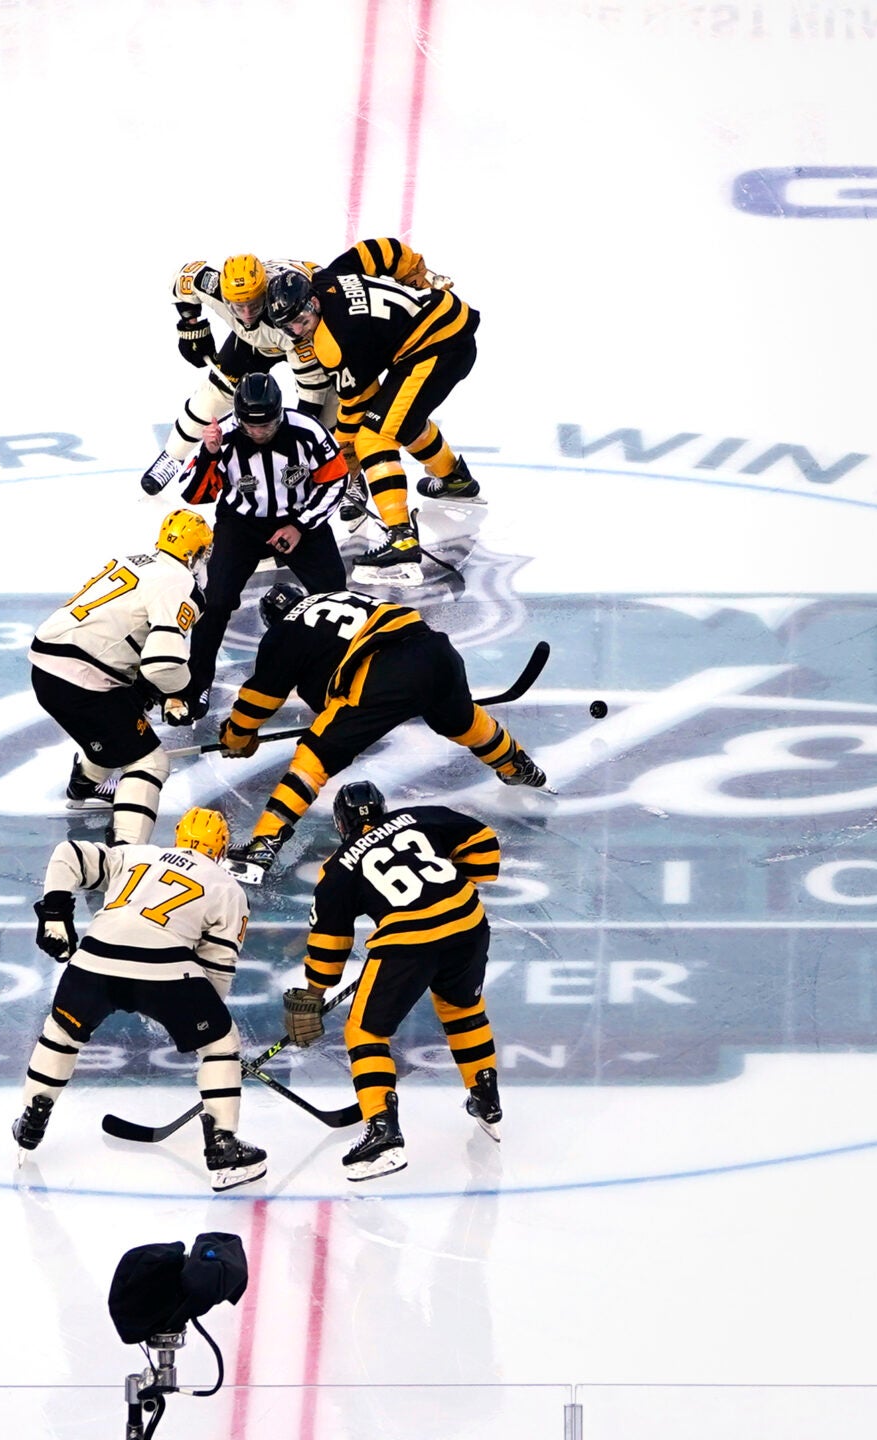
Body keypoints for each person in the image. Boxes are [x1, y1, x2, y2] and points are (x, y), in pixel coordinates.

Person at [12, 806, 267, 1192]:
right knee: (219, 1045)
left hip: (94, 961)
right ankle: (222, 1146)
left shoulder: (135, 854)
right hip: (164, 971)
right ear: (221, 849)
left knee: (60, 1035)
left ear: (178, 834)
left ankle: (33, 1117)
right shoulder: (227, 887)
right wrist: (201, 1021)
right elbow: (218, 965)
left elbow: (68, 855)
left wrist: (55, 913)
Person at [213, 585, 544, 880]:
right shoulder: (337, 596)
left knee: (313, 758)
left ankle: (262, 845)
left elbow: (259, 699)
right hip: (436, 653)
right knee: (465, 723)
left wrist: (236, 737)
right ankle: (518, 766)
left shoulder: (284, 632)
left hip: (380, 673)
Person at [280, 781, 506, 1182]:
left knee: (365, 1031)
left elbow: (330, 944)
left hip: (407, 943)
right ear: (383, 807)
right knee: (462, 1007)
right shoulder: (422, 816)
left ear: (340, 823)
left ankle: (383, 1133)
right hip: (468, 923)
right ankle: (486, 1097)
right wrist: (463, 884)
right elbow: (483, 841)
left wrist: (315, 992)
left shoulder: (338, 868)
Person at [269, 238, 481, 583]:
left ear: (312, 302)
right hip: (442, 325)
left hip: (438, 347)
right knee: (402, 421)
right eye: (288, 326)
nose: (296, 331)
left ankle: (402, 537)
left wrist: (337, 459)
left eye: (300, 320)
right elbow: (378, 251)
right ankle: (455, 478)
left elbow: (355, 409)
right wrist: (417, 273)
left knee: (374, 437)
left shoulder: (331, 343)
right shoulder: (327, 278)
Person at [167, 371, 353, 719]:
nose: (258, 432)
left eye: (266, 425)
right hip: (241, 525)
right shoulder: (222, 437)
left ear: (280, 414)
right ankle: (197, 684)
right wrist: (208, 454)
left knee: (336, 596)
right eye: (250, 426)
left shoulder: (308, 431)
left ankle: (337, 675)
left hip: (301, 520)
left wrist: (301, 524)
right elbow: (193, 493)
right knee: (216, 601)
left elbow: (336, 479)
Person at [27, 510, 209, 844]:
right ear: (193, 554)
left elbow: (134, 643)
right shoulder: (180, 582)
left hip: (50, 665)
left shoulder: (133, 560)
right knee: (149, 761)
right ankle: (125, 854)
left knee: (121, 718)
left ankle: (87, 782)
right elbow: (162, 663)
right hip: (83, 679)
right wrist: (187, 692)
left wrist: (162, 693)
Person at [141, 253, 334, 494]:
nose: (245, 314)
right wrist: (190, 323)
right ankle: (173, 455)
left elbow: (312, 390)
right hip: (256, 341)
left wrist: (297, 436)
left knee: (329, 411)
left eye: (253, 304)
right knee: (212, 396)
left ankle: (346, 469)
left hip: (302, 331)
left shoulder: (292, 321)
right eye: (237, 306)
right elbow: (183, 278)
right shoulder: (214, 285)